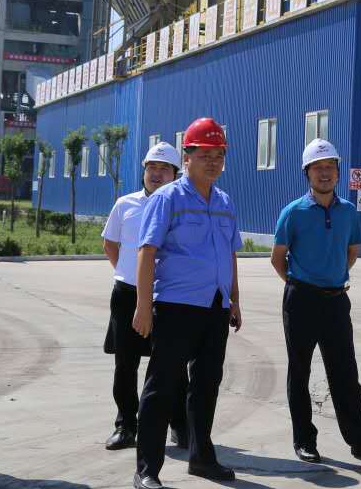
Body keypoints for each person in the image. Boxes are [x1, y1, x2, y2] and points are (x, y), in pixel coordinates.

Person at [131, 118, 242, 489]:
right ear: (187, 157)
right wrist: (143, 306)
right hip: (176, 306)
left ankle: (202, 458)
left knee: (207, 385)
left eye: (219, 155)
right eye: (204, 154)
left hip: (215, 307)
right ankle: (147, 468)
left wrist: (234, 299)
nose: (213, 162)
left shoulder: (224, 201)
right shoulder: (168, 198)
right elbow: (146, 251)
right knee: (162, 387)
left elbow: (230, 253)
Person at [271, 139, 361, 465]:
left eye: (330, 167)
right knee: (300, 371)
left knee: (345, 373)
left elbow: (351, 252)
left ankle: (360, 442)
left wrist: (331, 277)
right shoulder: (293, 212)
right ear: (307, 173)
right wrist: (299, 283)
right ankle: (304, 440)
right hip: (301, 300)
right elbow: (278, 258)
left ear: (338, 173)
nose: (324, 173)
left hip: (336, 301)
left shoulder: (348, 211)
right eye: (317, 168)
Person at [101, 142, 188, 451]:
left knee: (173, 365)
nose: (156, 174)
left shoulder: (182, 207)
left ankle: (180, 424)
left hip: (168, 296)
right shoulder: (125, 204)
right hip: (127, 294)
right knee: (126, 364)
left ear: (176, 174)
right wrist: (132, 276)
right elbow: (110, 244)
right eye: (152, 167)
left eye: (164, 169)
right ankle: (126, 425)